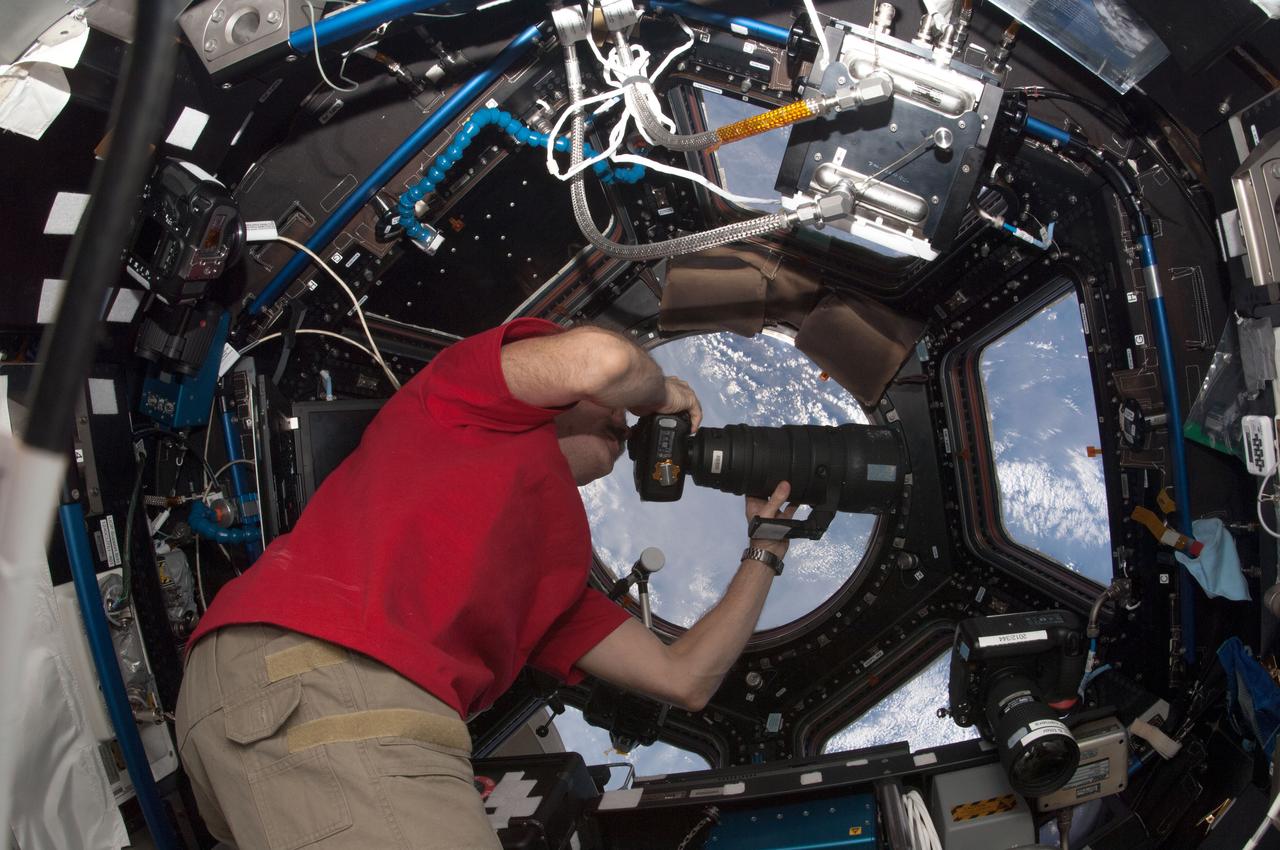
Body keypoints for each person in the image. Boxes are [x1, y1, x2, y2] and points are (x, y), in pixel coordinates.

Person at [175, 317, 798, 849]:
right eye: (616, 407)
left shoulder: (558, 573)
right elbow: (603, 361)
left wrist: (765, 548)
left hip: (257, 706)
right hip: (336, 685)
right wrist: (659, 392)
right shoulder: (462, 401)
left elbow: (685, 679)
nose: (625, 421)